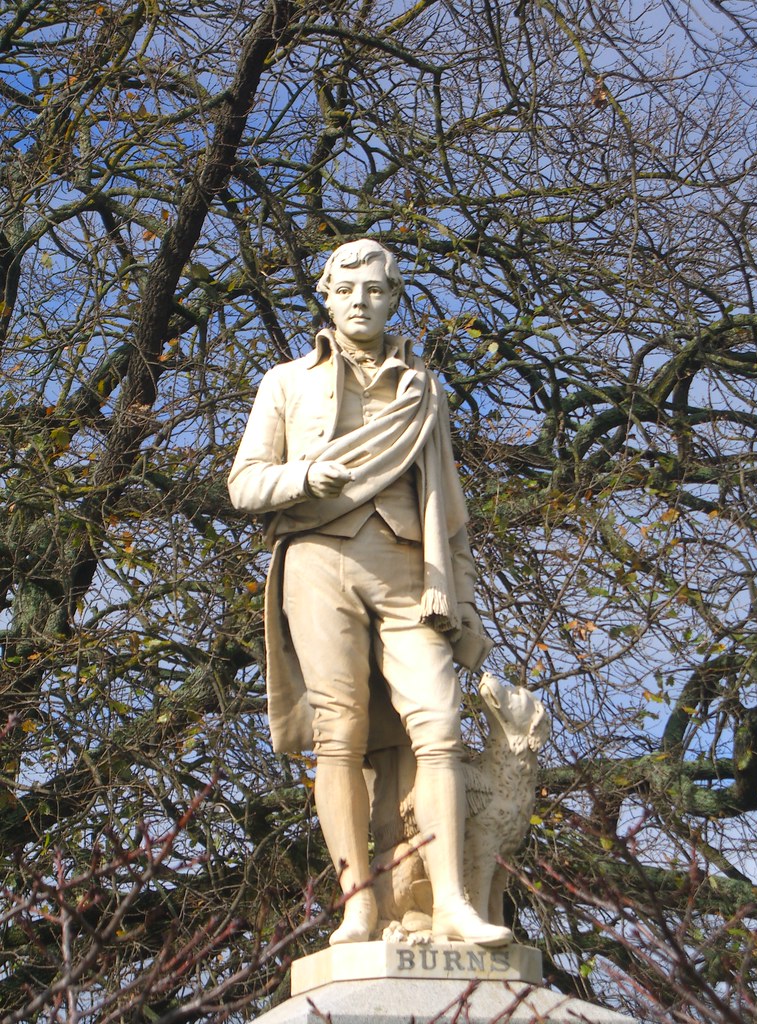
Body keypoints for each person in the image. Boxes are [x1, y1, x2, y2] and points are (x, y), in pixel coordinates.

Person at [228, 239, 511, 947]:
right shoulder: (285, 383)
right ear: (326, 297)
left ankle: (451, 902)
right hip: (318, 561)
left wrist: (463, 600)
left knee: (440, 724)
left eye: (376, 290)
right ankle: (358, 904)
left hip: (411, 570)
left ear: (393, 298)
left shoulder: (424, 389)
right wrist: (303, 478)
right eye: (348, 290)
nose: (361, 302)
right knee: (340, 733)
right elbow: (244, 484)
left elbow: (449, 510)